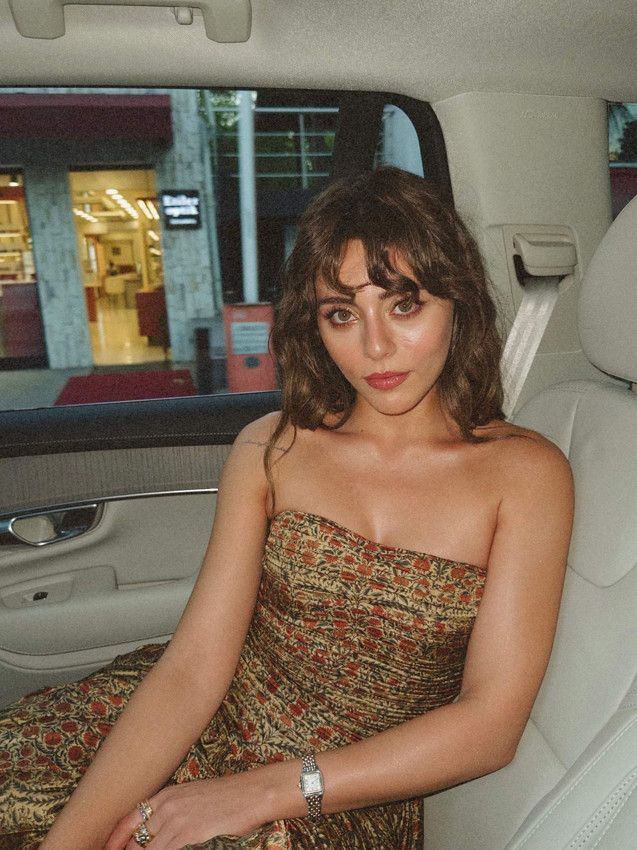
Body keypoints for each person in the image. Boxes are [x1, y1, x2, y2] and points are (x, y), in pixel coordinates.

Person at [0, 166, 574, 850]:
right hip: (201, 719)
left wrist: (259, 792)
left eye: (404, 305)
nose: (375, 347)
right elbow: (193, 667)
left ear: (458, 302)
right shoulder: (272, 446)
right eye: (342, 314)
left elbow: (489, 725)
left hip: (342, 795)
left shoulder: (526, 475)